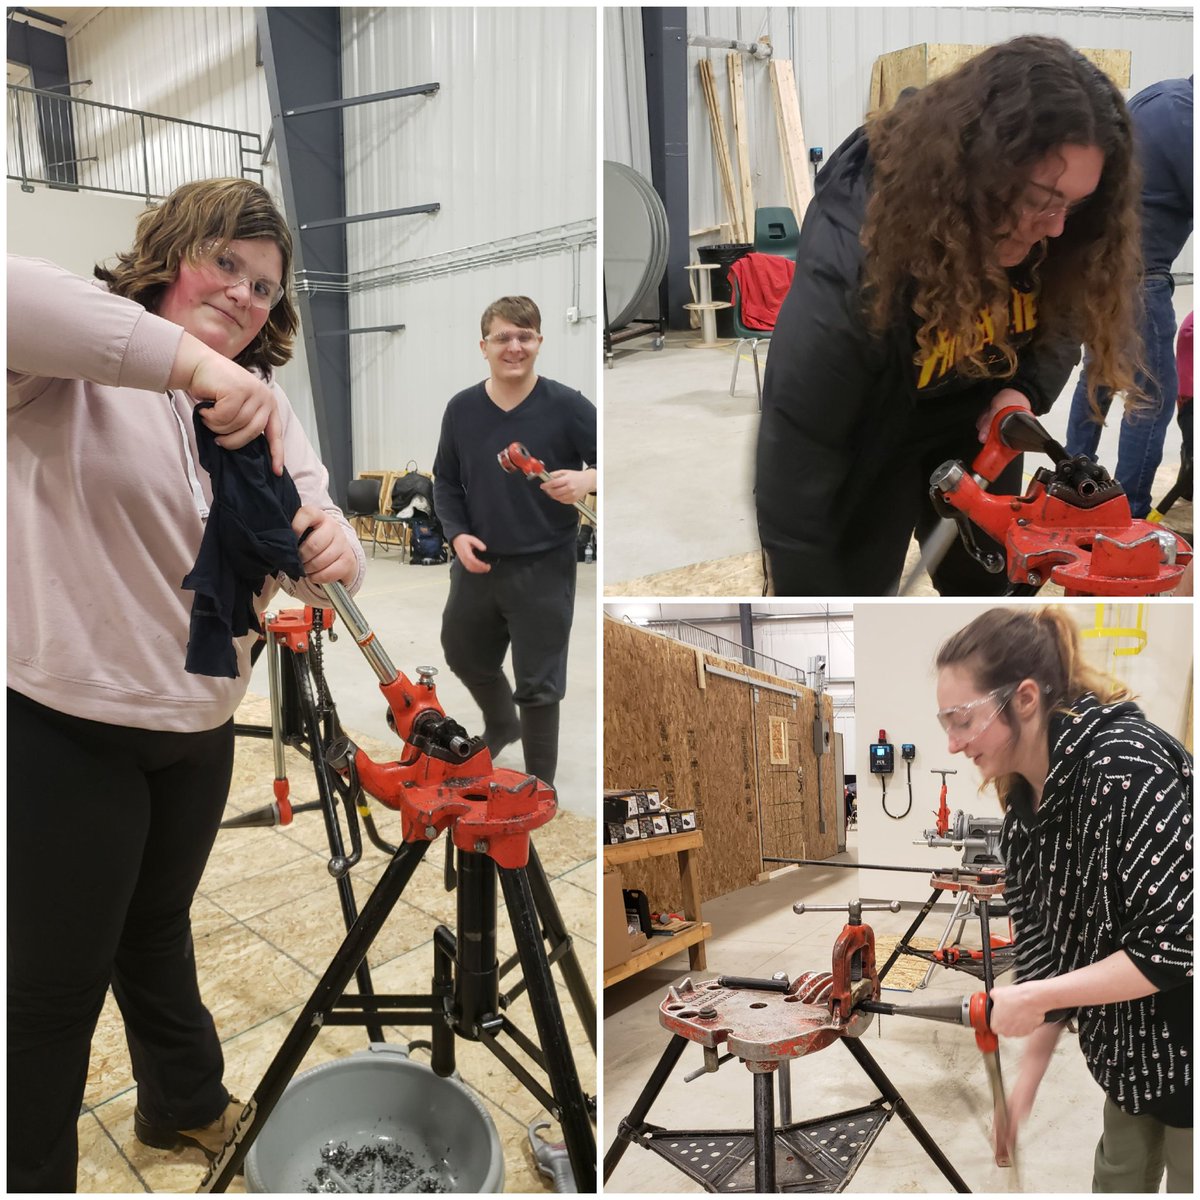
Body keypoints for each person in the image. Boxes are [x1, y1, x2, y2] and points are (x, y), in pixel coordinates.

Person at [7, 178, 364, 1191]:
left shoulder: (261, 401)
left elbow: (307, 522)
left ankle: (184, 1104)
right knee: (52, 990)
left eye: (265, 287)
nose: (246, 295)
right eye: (227, 265)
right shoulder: (71, 366)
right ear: (172, 254)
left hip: (197, 722)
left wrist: (334, 546)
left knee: (156, 930)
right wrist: (198, 364)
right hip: (65, 728)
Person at [756, 36, 1144, 596]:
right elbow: (797, 449)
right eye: (1041, 200)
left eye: (1074, 203)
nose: (1058, 226)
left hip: (978, 420)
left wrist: (1025, 389)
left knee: (992, 587)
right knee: (851, 592)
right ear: (979, 169)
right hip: (868, 438)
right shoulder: (858, 249)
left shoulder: (1057, 225)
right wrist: (809, 592)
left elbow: (1066, 305)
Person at [934, 608, 1192, 1191]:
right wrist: (1020, 1095)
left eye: (962, 720)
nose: (952, 744)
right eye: (945, 723)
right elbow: (1048, 961)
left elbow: (1174, 947)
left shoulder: (1127, 767)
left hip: (1189, 1048)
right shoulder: (1024, 821)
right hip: (1131, 1062)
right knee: (1117, 1179)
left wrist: (1039, 997)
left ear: (1025, 698)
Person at [433, 297, 596, 789]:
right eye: (503, 337)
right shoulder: (461, 409)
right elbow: (446, 481)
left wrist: (588, 480)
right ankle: (503, 724)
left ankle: (540, 786)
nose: (514, 346)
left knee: (538, 682)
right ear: (483, 346)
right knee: (462, 651)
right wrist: (457, 533)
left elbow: (616, 457)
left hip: (544, 564)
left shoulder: (567, 405)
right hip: (478, 561)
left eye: (525, 336)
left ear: (539, 342)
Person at [1064, 77, 1193, 518]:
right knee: (1151, 397)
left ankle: (1073, 488)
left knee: (1097, 378)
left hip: (1101, 268)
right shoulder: (1187, 116)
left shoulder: (1158, 97)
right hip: (1139, 277)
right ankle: (1128, 514)